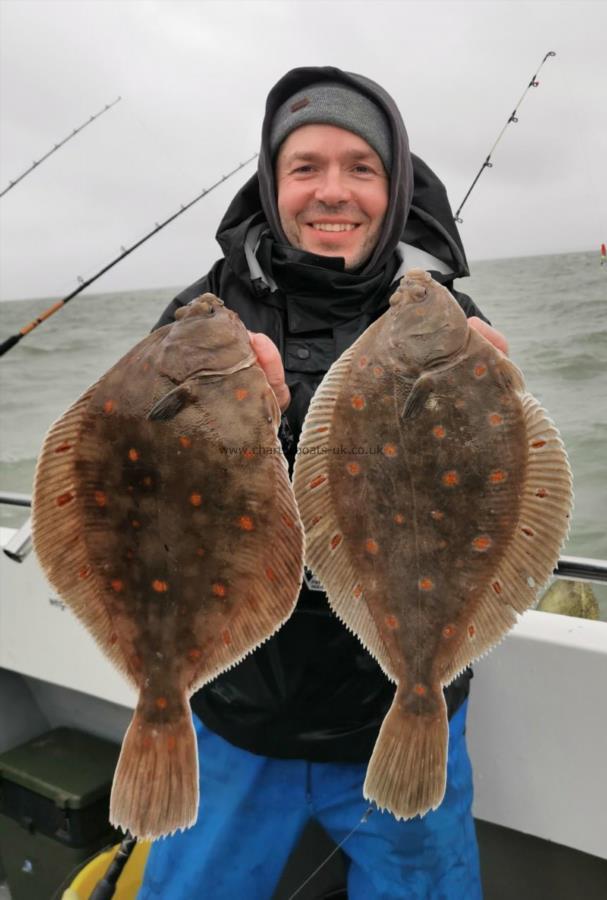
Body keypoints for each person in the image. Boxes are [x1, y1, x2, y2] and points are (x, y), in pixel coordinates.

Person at [139, 66, 506, 900]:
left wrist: (499, 411)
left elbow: (491, 507)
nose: (331, 192)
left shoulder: (450, 324)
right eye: (305, 167)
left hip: (405, 711)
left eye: (361, 168)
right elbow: (146, 506)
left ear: (395, 184)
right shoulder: (199, 323)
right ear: (271, 184)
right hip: (235, 717)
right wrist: (233, 428)